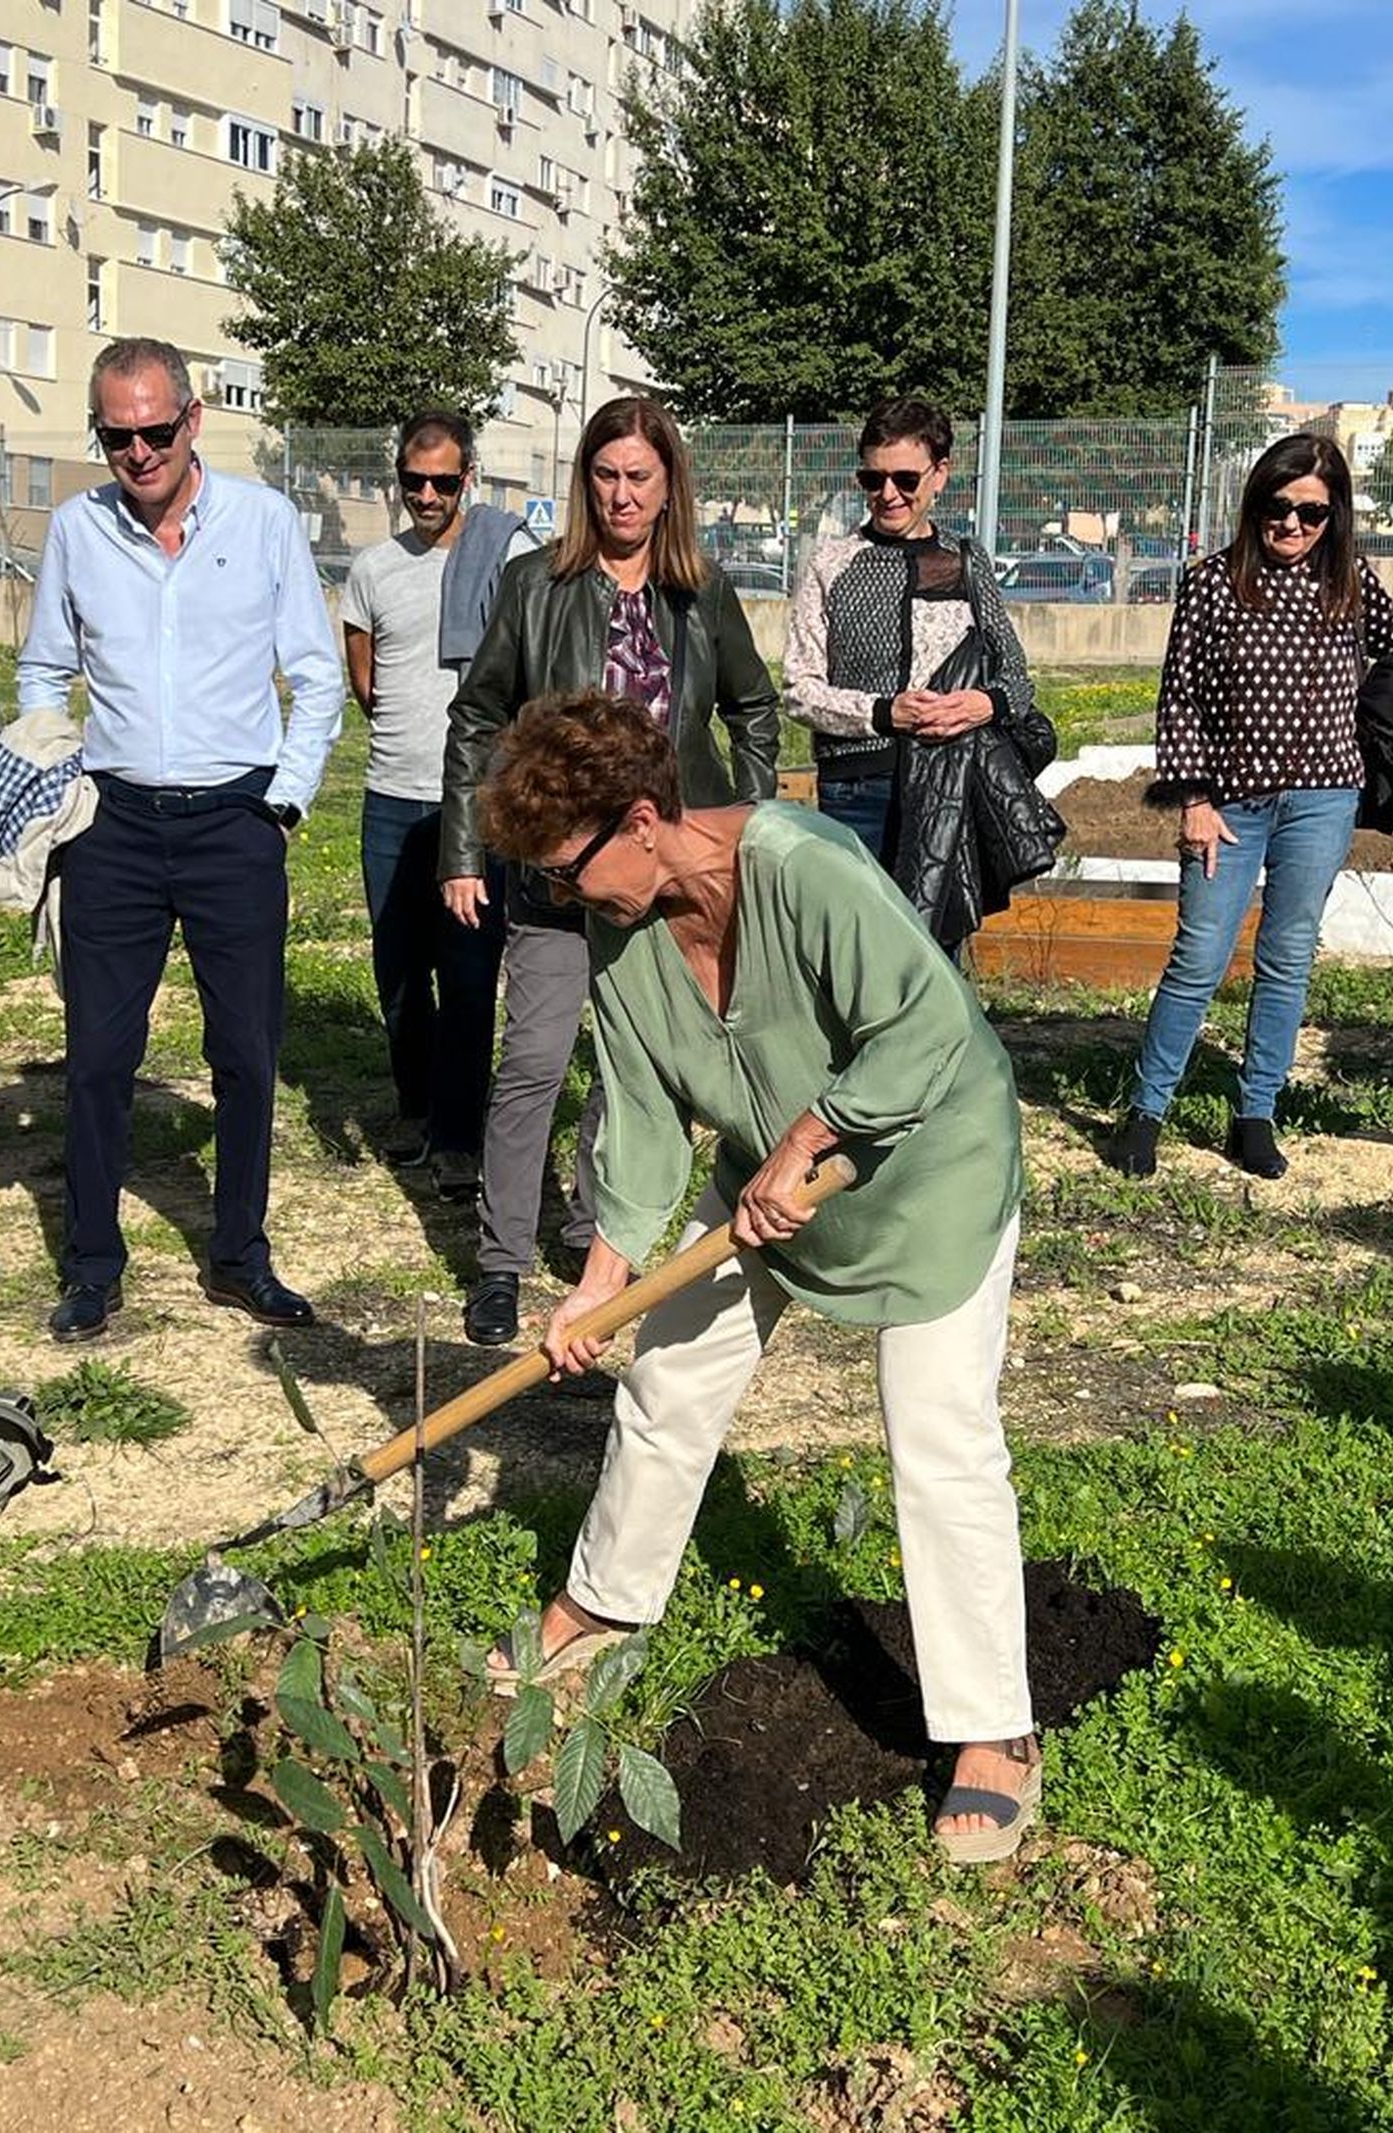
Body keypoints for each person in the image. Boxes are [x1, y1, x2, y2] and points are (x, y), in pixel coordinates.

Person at [475, 690, 1040, 1865]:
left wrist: (806, 1142)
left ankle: (993, 1728)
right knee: (669, 1377)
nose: (557, 898)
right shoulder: (619, 932)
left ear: (641, 820)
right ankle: (605, 1601)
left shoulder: (803, 866)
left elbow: (925, 1029)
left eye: (564, 873)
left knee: (937, 1436)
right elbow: (635, 1107)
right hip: (770, 1186)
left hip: (930, 1169)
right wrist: (597, 1280)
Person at [19, 337, 344, 1342]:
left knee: (245, 1054)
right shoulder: (77, 531)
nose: (139, 452)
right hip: (111, 826)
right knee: (97, 1057)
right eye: (117, 436)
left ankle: (240, 1257)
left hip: (234, 822)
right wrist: (59, 775)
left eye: (156, 430)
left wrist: (281, 803)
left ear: (193, 419)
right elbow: (40, 671)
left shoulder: (262, 522)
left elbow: (317, 674)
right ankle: (91, 1264)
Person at [440, 396, 779, 1346]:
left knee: (632, 1068)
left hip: (658, 879)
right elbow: (477, 720)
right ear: (584, 481)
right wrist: (465, 850)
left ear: (669, 484)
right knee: (538, 1059)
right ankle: (501, 1260)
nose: (623, 495)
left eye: (640, 477)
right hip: (555, 880)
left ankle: (595, 1233)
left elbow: (753, 706)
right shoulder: (534, 584)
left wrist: (741, 824)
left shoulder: (699, 592)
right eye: (606, 475)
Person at [1110, 433, 1393, 1181]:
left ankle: (1257, 1111)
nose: (1292, 526)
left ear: (1335, 515)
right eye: (1278, 508)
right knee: (1199, 958)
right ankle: (1147, 1109)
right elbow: (1178, 696)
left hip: (1324, 799)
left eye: (1312, 513)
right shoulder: (1212, 582)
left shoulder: (1351, 582)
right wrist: (1195, 798)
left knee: (1288, 958)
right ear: (1256, 505)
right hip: (1230, 806)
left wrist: (1376, 747)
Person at [784, 396, 1057, 951]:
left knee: (931, 958)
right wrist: (884, 713)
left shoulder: (964, 558)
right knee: (851, 957)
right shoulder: (831, 562)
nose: (888, 494)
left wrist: (983, 705)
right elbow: (798, 690)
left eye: (905, 478)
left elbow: (1016, 677)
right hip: (854, 789)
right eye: (872, 478)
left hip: (944, 787)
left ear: (941, 475)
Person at [341, 412, 531, 1201]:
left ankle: (459, 1136)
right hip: (391, 796)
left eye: (444, 482)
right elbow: (363, 672)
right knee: (396, 969)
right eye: (414, 481)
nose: (427, 495)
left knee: (467, 973)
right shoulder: (373, 568)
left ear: (469, 479)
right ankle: (416, 1107)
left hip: (473, 805)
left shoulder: (504, 559)